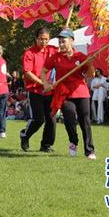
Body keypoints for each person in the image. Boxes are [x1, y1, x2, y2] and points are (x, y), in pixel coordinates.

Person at [42, 28, 96, 160]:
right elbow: (43, 71)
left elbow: (91, 74)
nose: (60, 44)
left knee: (85, 121)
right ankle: (73, 141)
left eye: (63, 41)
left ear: (71, 41)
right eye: (59, 42)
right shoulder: (55, 57)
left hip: (81, 91)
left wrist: (90, 64)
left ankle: (89, 150)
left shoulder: (81, 57)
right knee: (69, 118)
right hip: (64, 93)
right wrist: (46, 84)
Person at [19, 27, 58, 152]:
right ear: (36, 39)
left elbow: (65, 48)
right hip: (35, 91)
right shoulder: (29, 53)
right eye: (41, 39)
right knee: (39, 119)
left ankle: (46, 145)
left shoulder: (53, 50)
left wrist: (65, 34)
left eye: (46, 39)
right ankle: (25, 134)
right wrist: (42, 83)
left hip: (50, 91)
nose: (44, 42)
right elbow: (27, 72)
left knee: (51, 119)